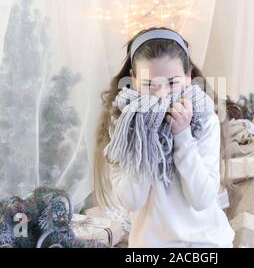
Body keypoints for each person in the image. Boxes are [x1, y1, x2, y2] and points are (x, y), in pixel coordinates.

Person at [94, 27, 234, 247]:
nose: (162, 94)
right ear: (133, 79)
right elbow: (131, 201)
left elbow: (202, 199)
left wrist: (183, 136)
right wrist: (144, 136)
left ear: (188, 77)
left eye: (172, 82)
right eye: (149, 85)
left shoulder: (205, 120)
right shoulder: (124, 125)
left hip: (205, 244)